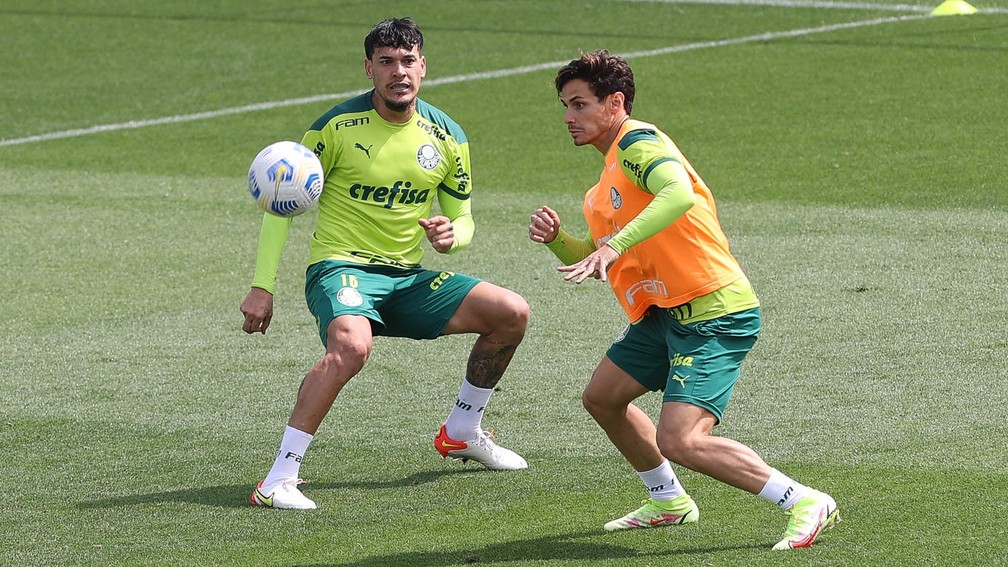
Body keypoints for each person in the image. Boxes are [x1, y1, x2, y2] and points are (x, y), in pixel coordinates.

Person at [528, 50, 838, 550]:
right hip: (665, 315)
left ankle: (803, 499)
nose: (568, 117)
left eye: (580, 104)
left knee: (682, 438)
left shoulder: (637, 143)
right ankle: (668, 499)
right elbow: (595, 252)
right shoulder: (603, 183)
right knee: (604, 398)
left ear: (615, 102)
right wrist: (560, 239)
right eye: (565, 105)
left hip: (714, 311)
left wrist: (612, 244)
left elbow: (678, 195)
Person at [241, 17, 530, 510]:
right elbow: (280, 207)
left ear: (424, 66)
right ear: (369, 69)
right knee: (352, 347)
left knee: (511, 312)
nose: (400, 71)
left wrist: (450, 234)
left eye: (408, 61)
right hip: (341, 268)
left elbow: (464, 219)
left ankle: (462, 430)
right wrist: (262, 285)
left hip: (406, 278)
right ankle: (278, 478)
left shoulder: (447, 135)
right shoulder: (334, 128)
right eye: (387, 62)